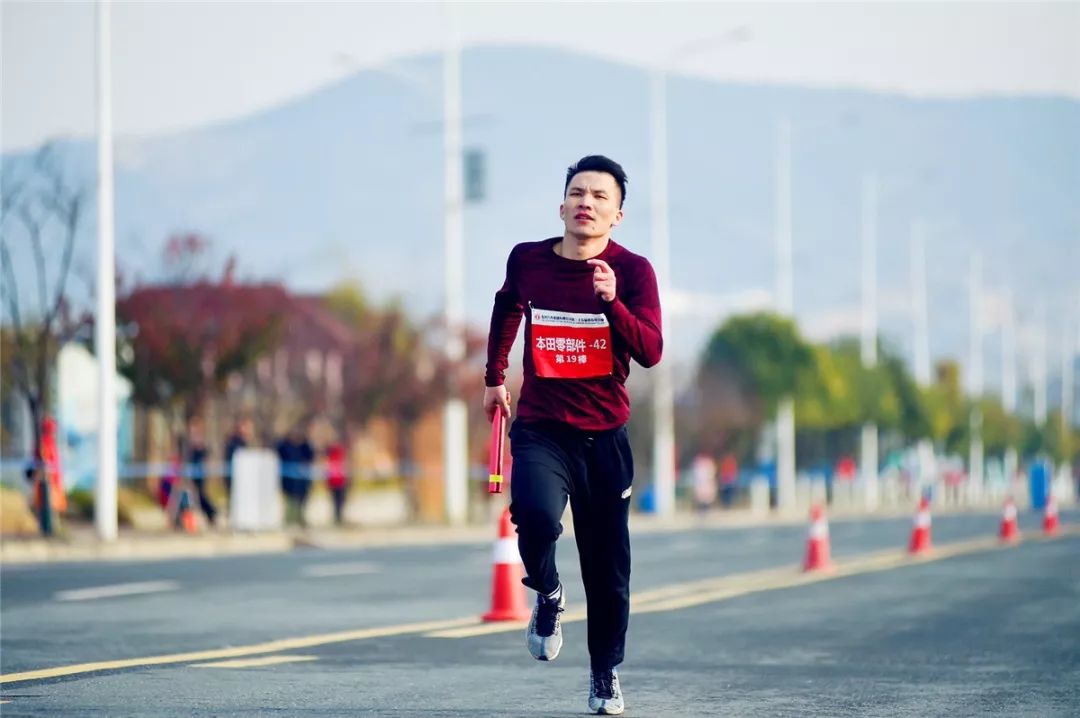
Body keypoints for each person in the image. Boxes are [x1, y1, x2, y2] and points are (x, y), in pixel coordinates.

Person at [483, 155, 661, 716]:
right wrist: (494, 378)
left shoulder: (632, 272)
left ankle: (604, 673)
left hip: (605, 437)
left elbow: (651, 351)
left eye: (600, 197)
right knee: (534, 515)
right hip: (542, 428)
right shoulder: (528, 261)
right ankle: (548, 594)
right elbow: (507, 304)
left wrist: (612, 305)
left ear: (617, 216)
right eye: (577, 193)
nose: (587, 202)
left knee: (608, 571)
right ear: (561, 206)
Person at [324, 441, 349, 526]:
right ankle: (337, 517)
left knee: (339, 501)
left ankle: (339, 517)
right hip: (335, 483)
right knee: (336, 501)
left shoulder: (341, 456)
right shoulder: (331, 458)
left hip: (340, 482)